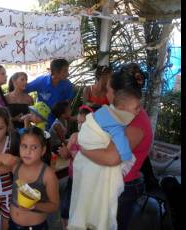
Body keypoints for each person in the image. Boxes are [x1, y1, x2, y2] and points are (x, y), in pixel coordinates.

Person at [78, 63, 153, 230]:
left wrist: (83, 149)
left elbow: (112, 157)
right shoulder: (121, 114)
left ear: (119, 96)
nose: (106, 94)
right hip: (115, 183)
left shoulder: (135, 121)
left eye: (108, 90)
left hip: (123, 188)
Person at [68, 88, 141, 230]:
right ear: (122, 108)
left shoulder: (103, 111)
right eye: (136, 108)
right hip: (89, 148)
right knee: (97, 198)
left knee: (85, 197)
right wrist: (127, 158)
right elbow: (121, 144)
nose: (139, 111)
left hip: (85, 150)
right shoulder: (116, 122)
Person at [0, 126, 60, 230]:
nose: (27, 152)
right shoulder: (16, 165)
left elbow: (54, 205)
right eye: (24, 146)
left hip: (35, 227)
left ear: (43, 150)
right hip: (13, 225)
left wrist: (35, 206)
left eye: (34, 147)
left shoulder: (47, 175)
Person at [57, 105, 92, 230]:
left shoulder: (95, 141)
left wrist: (70, 155)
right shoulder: (74, 137)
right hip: (73, 179)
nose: (80, 125)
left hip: (87, 183)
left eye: (84, 122)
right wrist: (65, 154)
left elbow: (90, 162)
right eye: (78, 122)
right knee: (65, 208)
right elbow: (67, 155)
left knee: (83, 212)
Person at [25, 59, 75, 129]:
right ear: (55, 72)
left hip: (58, 121)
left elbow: (68, 102)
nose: (68, 74)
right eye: (65, 71)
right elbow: (24, 89)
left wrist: (67, 114)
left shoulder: (68, 85)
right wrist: (30, 103)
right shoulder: (41, 81)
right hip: (41, 120)